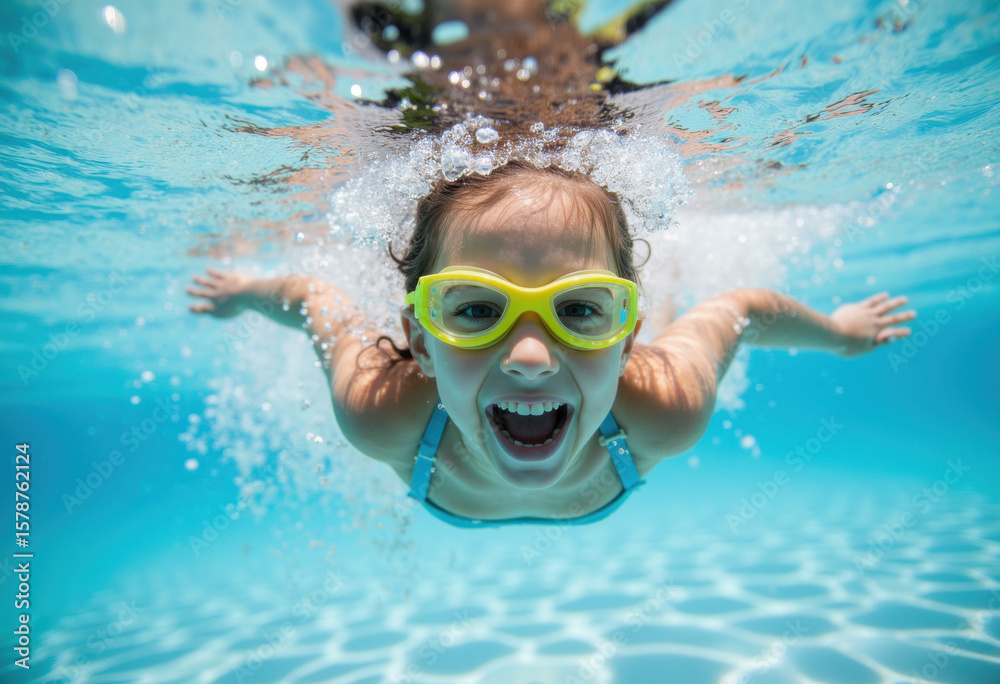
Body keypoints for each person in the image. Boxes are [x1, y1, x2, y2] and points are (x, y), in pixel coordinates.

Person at [187, 160, 916, 527]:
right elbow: (318, 301)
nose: (530, 358)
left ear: (630, 330)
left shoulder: (663, 406)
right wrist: (244, 294)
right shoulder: (381, 409)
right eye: (474, 310)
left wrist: (840, 334)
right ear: (420, 338)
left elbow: (742, 310)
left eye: (580, 309)